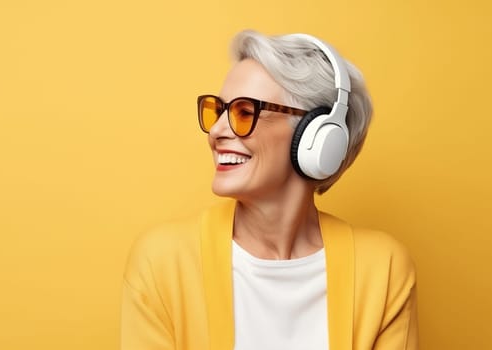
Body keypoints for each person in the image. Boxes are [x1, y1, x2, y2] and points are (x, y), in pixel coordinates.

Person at [120, 29, 418, 350]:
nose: (217, 131)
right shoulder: (163, 263)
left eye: (244, 112)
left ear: (315, 137)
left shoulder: (382, 269)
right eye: (219, 110)